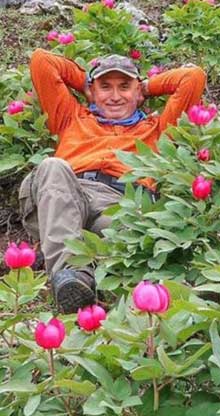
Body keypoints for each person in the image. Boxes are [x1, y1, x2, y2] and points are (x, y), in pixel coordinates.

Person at [19, 48, 207, 313]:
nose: (115, 96)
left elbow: (193, 78)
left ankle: (91, 282)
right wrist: (86, 84)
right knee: (52, 166)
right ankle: (69, 277)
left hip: (119, 203)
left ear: (137, 93)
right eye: (105, 87)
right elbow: (42, 60)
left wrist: (147, 87)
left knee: (123, 229)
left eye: (125, 87)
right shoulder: (71, 116)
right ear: (92, 92)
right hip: (66, 194)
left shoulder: (158, 129)